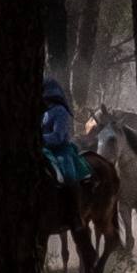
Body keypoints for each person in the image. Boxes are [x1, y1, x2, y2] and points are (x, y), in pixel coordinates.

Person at [41, 77, 93, 230]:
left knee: (68, 175)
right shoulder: (41, 112)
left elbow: (58, 136)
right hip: (42, 149)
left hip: (60, 150)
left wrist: (37, 138)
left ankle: (74, 214)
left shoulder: (60, 112)